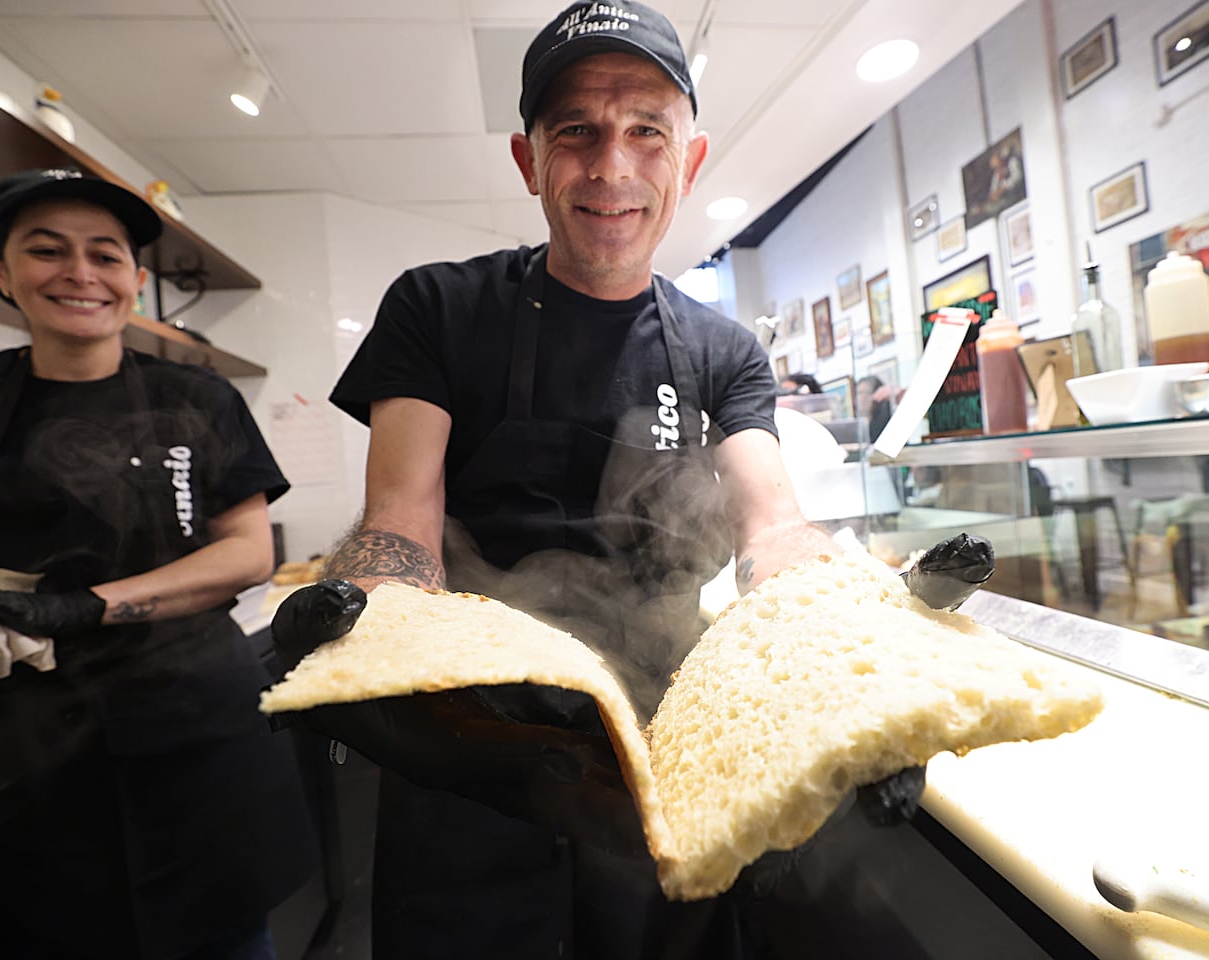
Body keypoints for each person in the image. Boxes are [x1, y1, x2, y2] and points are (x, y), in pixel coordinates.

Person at [271, 3, 959, 957]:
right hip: (471, 738)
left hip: (662, 744)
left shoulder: (724, 352)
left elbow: (775, 533)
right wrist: (369, 622)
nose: (612, 167)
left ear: (692, 155)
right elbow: (403, 523)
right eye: (577, 134)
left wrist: (857, 647)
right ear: (528, 159)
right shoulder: (440, 308)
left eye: (646, 132)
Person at [0, 168, 316, 959]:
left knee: (220, 941)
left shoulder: (199, 399)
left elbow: (246, 553)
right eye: (47, 250)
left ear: (136, 279)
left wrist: (86, 606)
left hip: (194, 731)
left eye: (105, 255)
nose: (80, 273)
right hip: (25, 745)